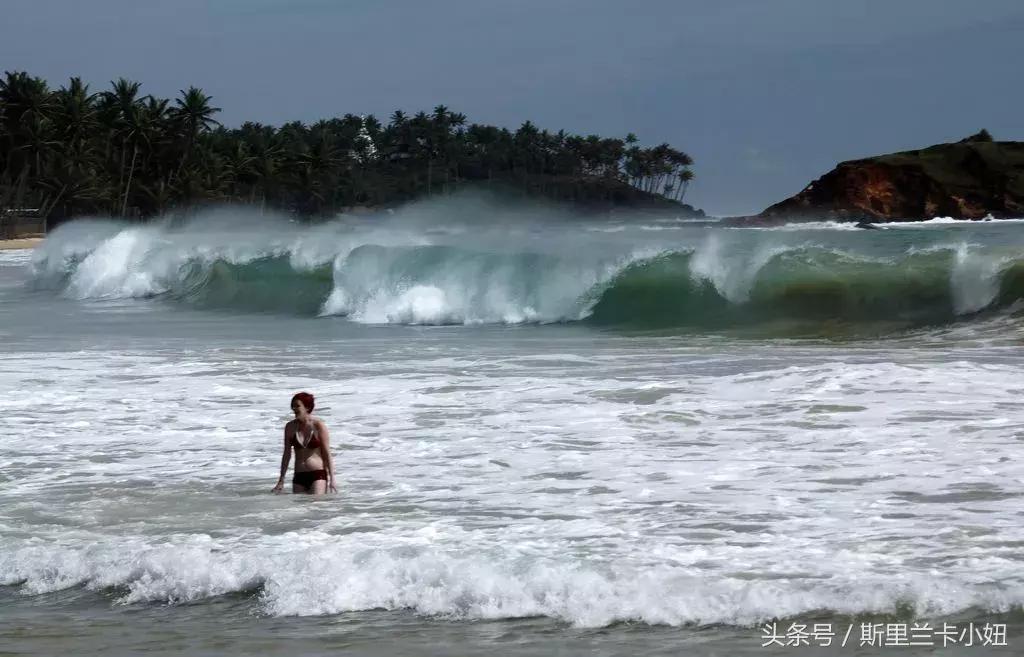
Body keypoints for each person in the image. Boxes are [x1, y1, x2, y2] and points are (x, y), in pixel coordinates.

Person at [272, 392, 337, 495]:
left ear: (307, 407)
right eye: (292, 406)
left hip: (317, 475)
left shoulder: (318, 426)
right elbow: (286, 454)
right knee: (300, 509)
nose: (294, 408)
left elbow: (327, 453)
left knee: (316, 506)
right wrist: (281, 480)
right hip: (299, 476)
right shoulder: (290, 427)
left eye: (297, 406)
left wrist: (332, 479)